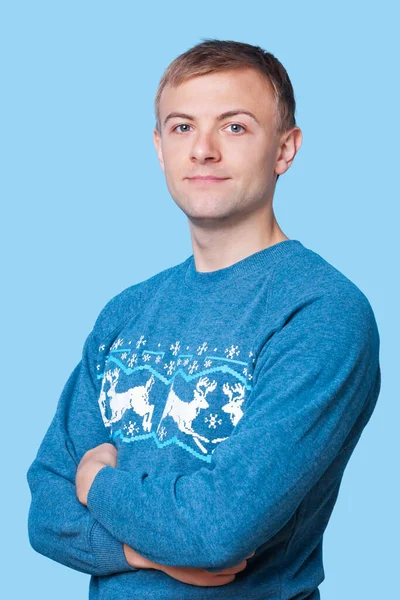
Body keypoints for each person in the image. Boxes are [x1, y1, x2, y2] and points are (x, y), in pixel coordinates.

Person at [26, 38, 381, 600]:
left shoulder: (322, 312)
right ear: (159, 146)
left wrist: (95, 482)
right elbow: (45, 509)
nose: (203, 150)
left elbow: (215, 530)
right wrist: (141, 551)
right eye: (182, 127)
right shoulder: (126, 312)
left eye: (235, 127)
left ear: (285, 150)